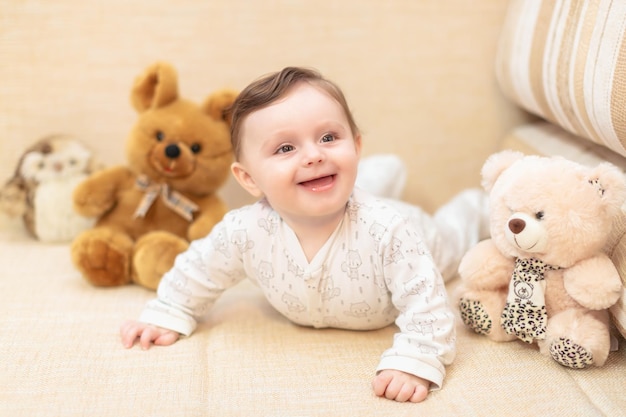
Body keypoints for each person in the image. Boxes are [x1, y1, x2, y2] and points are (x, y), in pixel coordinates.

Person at [120, 66, 488, 403]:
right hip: (351, 203)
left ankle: (472, 205)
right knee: (333, 181)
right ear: (248, 179)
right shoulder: (245, 231)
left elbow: (426, 302)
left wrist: (415, 359)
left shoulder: (393, 231)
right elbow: (200, 268)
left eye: (329, 137)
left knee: (454, 234)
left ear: (355, 146)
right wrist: (169, 310)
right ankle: (384, 173)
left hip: (423, 235)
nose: (313, 155)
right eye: (285, 148)